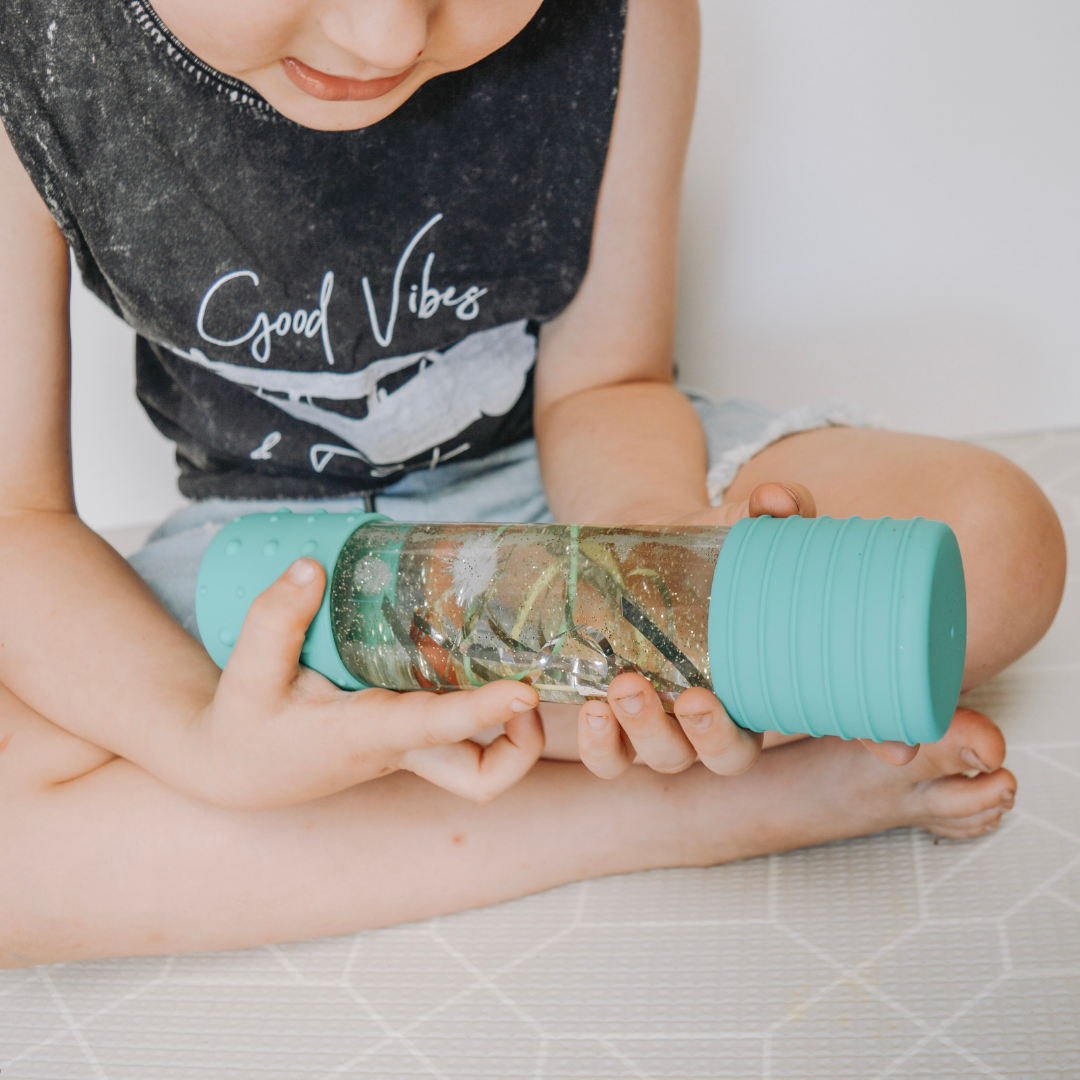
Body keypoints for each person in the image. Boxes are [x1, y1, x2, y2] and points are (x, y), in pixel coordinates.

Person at [0, 0, 1065, 968]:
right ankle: (686, 813)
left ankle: (517, 750)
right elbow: (18, 519)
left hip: (562, 489)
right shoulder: (27, 53)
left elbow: (606, 382)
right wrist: (205, 739)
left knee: (994, 544)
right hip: (273, 564)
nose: (385, 39)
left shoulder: (628, 15)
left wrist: (648, 564)